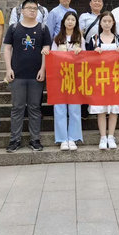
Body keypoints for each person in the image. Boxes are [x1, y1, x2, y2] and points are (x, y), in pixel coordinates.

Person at [3, 0, 52, 153]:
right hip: (17, 74)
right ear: (22, 11)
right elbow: (7, 49)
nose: (32, 10)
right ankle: (14, 140)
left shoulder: (43, 28)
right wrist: (8, 69)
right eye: (29, 8)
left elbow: (46, 50)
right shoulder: (14, 28)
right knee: (17, 108)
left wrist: (43, 69)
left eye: (35, 8)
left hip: (36, 75)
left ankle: (35, 139)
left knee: (34, 108)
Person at [44, 11, 84, 151]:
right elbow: (53, 56)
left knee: (74, 109)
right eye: (68, 19)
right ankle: (62, 138)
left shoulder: (79, 38)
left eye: (73, 19)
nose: (70, 22)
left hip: (75, 77)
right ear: (63, 22)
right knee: (60, 108)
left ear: (76, 22)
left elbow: (86, 58)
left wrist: (80, 53)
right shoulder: (57, 38)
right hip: (59, 77)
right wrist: (47, 53)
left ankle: (73, 138)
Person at [88, 11, 119, 149]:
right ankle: (103, 137)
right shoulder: (94, 39)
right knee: (101, 109)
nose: (107, 24)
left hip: (115, 77)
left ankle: (111, 136)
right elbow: (86, 59)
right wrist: (94, 53)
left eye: (109, 21)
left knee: (114, 109)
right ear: (100, 23)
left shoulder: (118, 39)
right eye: (104, 21)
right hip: (99, 78)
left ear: (113, 23)